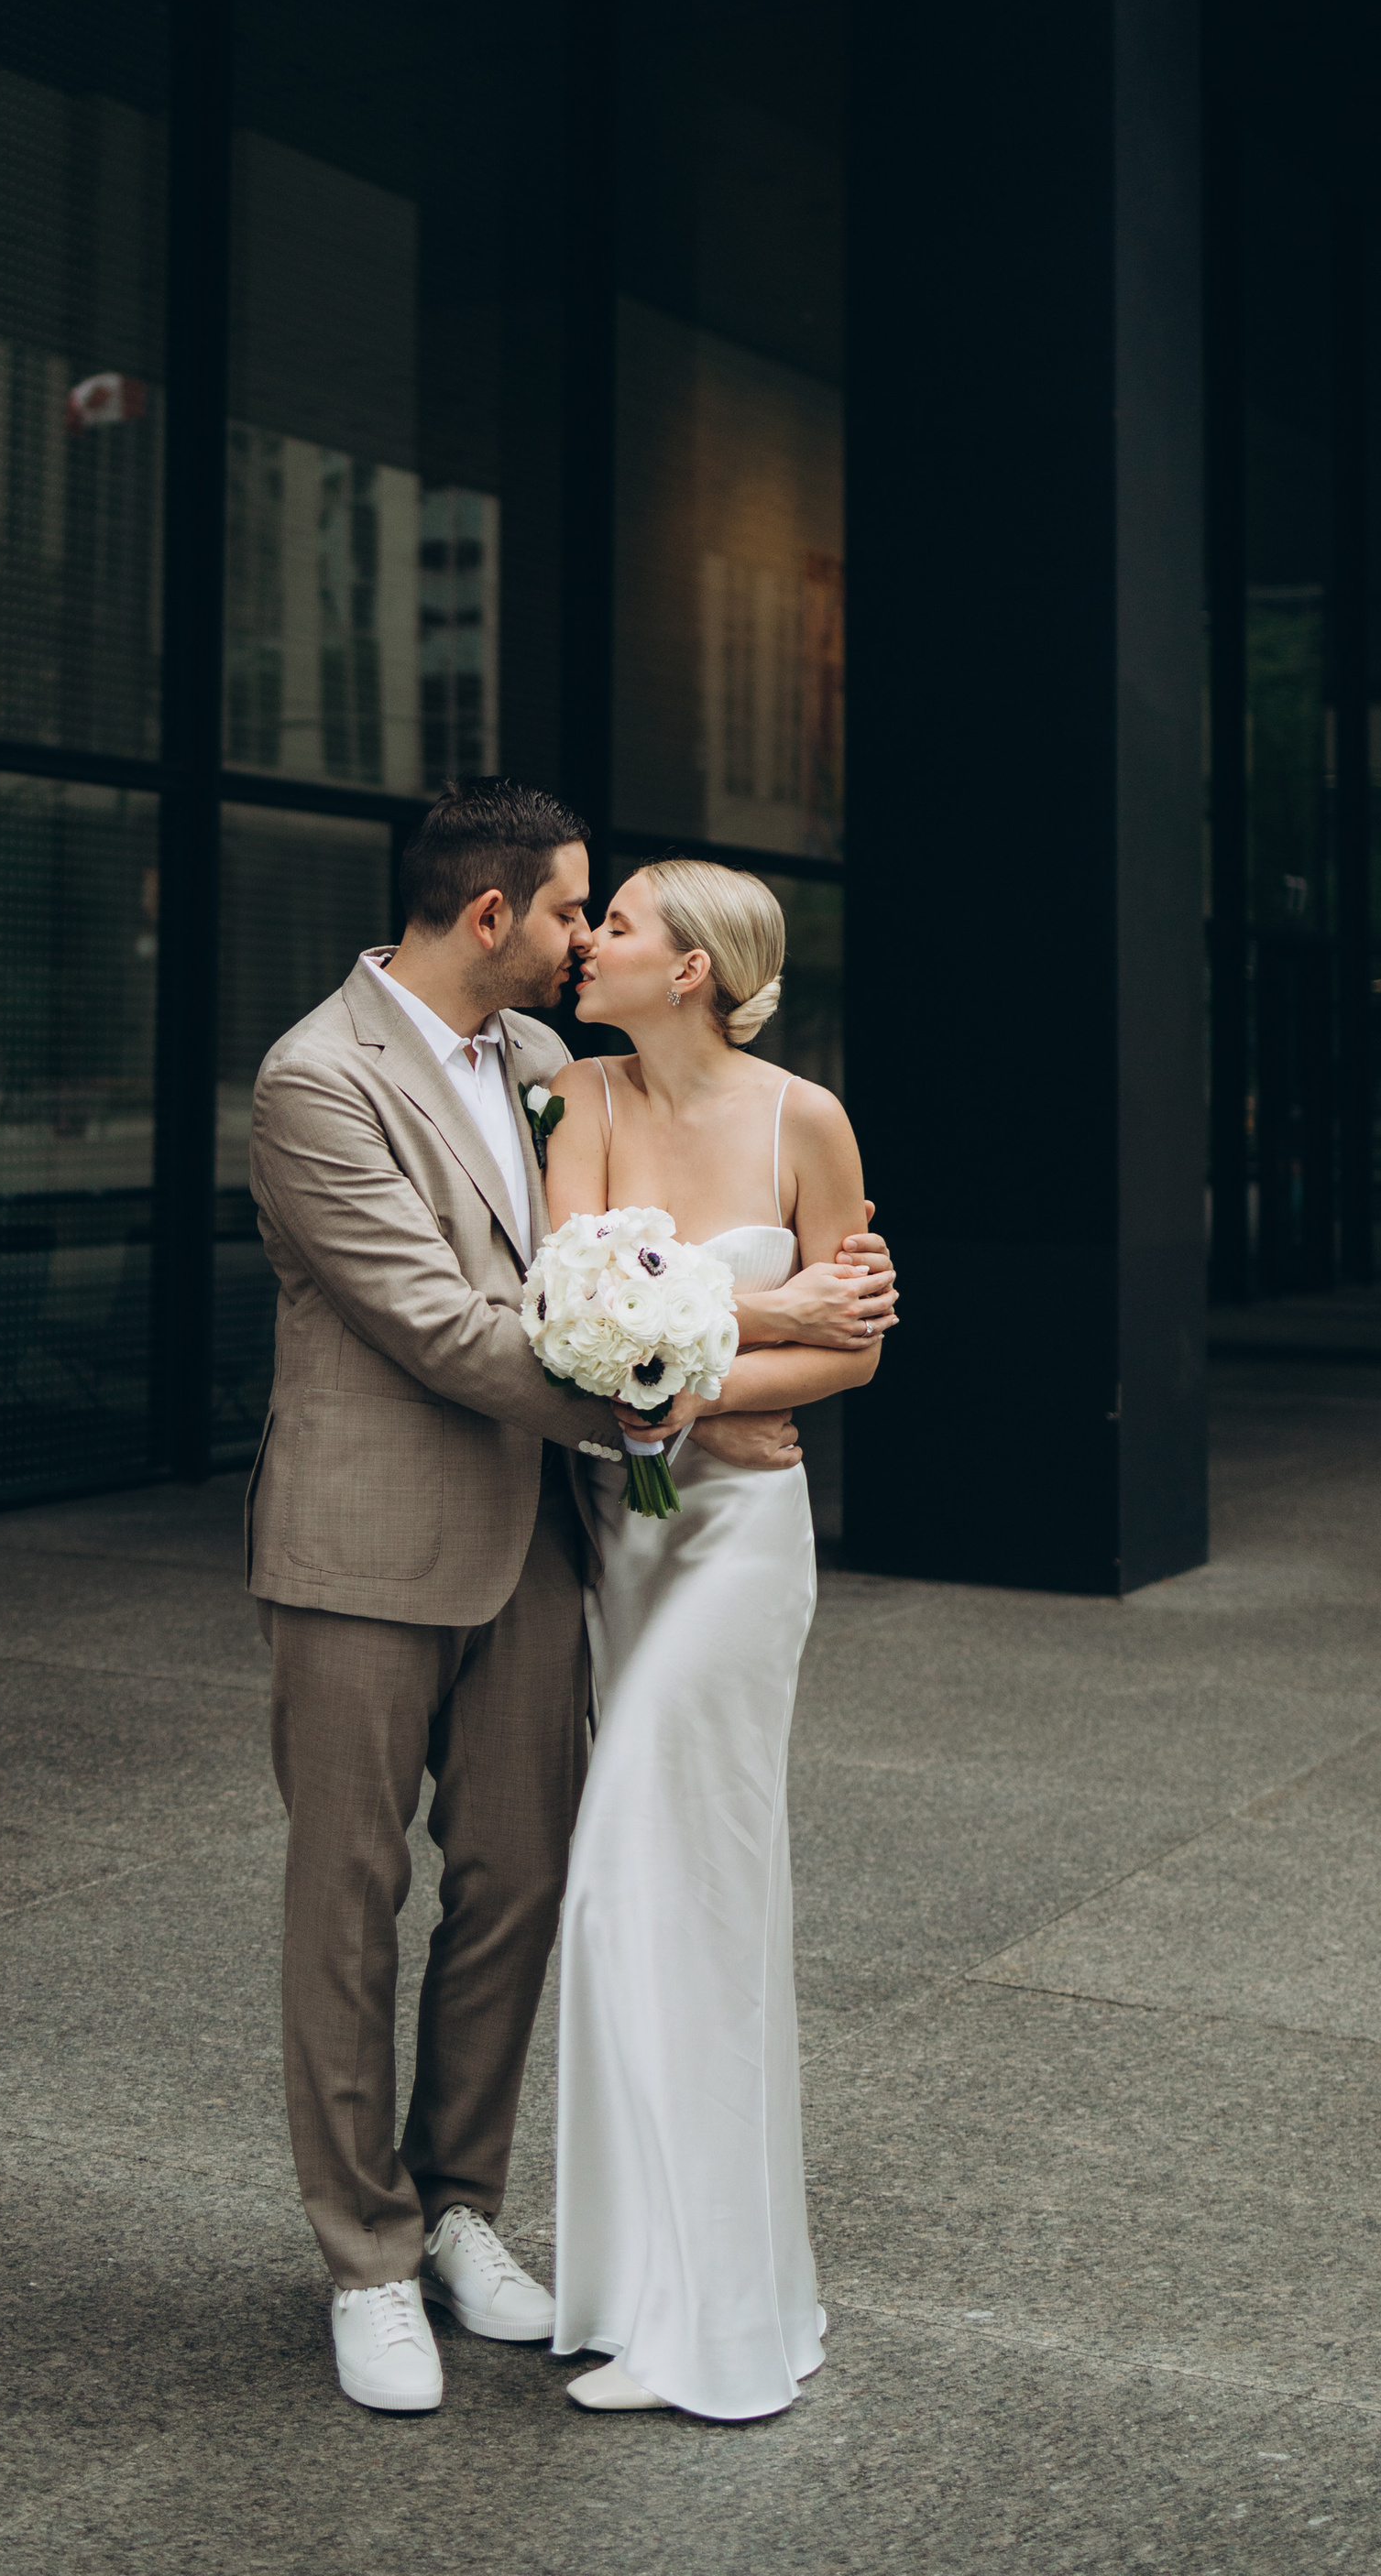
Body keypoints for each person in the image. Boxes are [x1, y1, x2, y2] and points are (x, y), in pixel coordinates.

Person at [244, 784, 893, 2416]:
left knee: (522, 1881)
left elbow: (641, 1263)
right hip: (367, 1547)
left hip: (547, 1544)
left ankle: (460, 2208)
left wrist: (755, 1322)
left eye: (607, 919)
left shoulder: (549, 1070)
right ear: (491, 919)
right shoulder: (316, 1079)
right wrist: (708, 1359)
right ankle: (369, 2261)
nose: (581, 938)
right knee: (348, 1897)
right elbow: (450, 1326)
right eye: (566, 913)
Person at [545, 858, 893, 2419]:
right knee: (673, 1899)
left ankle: (721, 2329)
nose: (583, 943)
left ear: (690, 966)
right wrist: (776, 1317)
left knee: (651, 1871)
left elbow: (861, 1354)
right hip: (629, 1541)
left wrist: (697, 1381)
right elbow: (569, 1316)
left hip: (748, 1544)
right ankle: (652, 2299)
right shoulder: (583, 1103)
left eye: (613, 924)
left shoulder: (804, 1117)